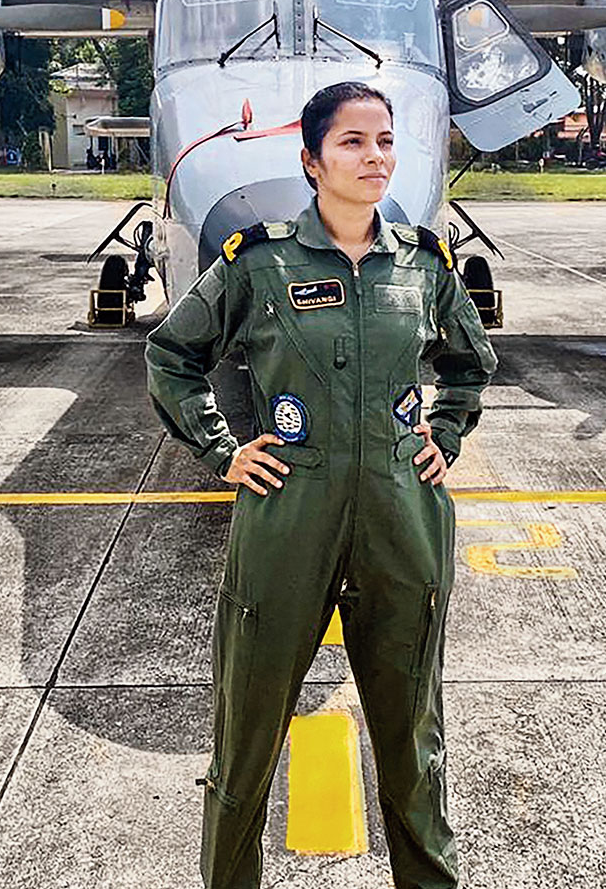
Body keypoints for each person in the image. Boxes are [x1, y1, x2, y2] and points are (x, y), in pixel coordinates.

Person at [145, 81, 497, 889]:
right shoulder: (260, 262)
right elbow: (171, 353)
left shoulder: (423, 263)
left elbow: (469, 364)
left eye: (384, 140)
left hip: (403, 518)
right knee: (247, 733)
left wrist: (442, 435)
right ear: (311, 161)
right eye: (351, 142)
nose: (374, 157)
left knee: (413, 737)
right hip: (287, 513)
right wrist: (222, 448)